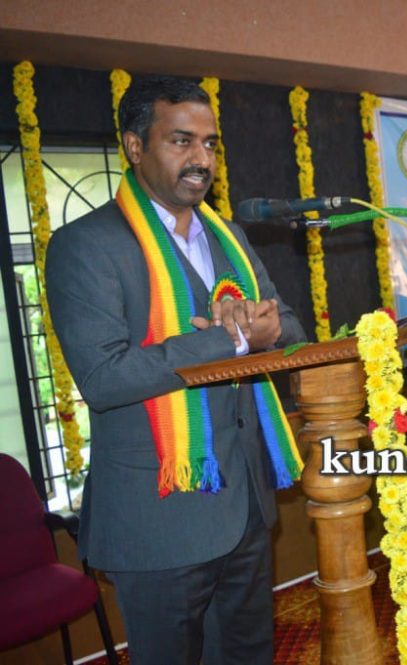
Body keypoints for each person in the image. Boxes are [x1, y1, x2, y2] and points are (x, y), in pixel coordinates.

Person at [45, 76, 306, 665]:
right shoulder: (86, 245)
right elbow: (105, 378)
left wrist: (259, 330)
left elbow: (288, 328)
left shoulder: (228, 237)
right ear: (135, 146)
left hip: (245, 505)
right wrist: (230, 338)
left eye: (210, 144)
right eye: (181, 141)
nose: (201, 159)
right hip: (158, 517)